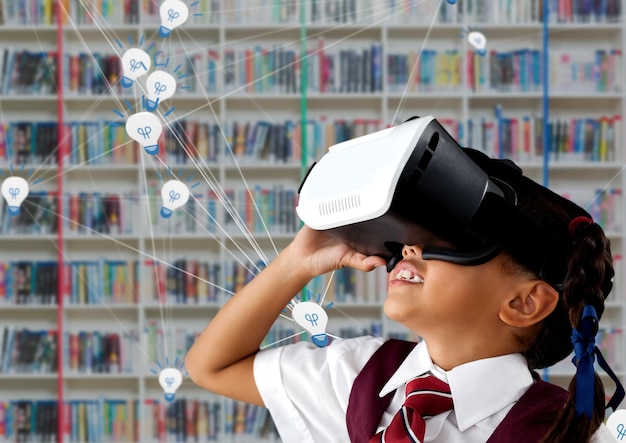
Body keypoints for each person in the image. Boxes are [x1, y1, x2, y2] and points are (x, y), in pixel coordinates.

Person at [185, 145, 622, 442]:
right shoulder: (357, 377)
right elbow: (213, 367)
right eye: (409, 237)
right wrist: (298, 262)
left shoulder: (568, 433)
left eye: (448, 239)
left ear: (524, 303)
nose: (410, 249)